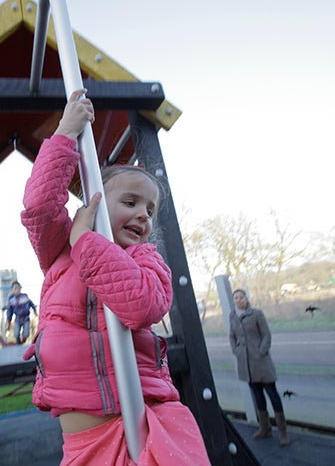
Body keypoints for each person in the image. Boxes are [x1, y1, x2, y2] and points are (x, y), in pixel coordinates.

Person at [20, 89, 211, 465]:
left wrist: (88, 244)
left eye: (150, 209)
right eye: (130, 202)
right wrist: (65, 133)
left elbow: (143, 305)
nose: (143, 214)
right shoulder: (60, 249)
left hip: (144, 424)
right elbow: (39, 206)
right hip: (85, 439)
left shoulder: (144, 259)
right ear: (93, 200)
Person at [228, 288, 290, 446]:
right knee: (257, 396)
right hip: (246, 363)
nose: (239, 300)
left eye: (241, 297)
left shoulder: (256, 314)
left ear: (246, 299)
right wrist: (237, 351)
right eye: (236, 298)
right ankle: (265, 427)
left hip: (261, 362)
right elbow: (232, 336)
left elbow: (266, 334)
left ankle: (282, 431)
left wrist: (261, 351)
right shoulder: (233, 316)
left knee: (272, 394)